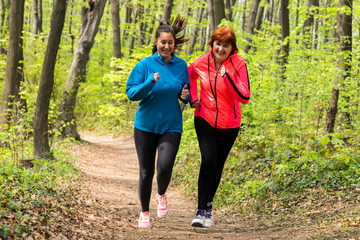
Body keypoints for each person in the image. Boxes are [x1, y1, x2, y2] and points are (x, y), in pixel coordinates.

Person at [126, 15, 190, 228]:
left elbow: (187, 94)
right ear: (156, 42)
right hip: (145, 126)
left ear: (174, 44)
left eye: (170, 43)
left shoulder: (181, 66)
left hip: (171, 125)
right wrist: (149, 82)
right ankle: (144, 212)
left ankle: (161, 194)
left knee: (164, 168)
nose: (166, 46)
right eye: (163, 42)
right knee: (146, 172)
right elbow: (132, 93)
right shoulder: (144, 65)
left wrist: (185, 96)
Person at [188, 25, 251, 228]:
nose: (221, 49)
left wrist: (229, 77)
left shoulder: (239, 64)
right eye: (218, 44)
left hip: (229, 124)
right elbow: (189, 75)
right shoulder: (202, 61)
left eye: (226, 45)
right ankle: (199, 211)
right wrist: (193, 97)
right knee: (208, 160)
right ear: (212, 44)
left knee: (218, 165)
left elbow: (245, 97)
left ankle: (208, 206)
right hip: (205, 118)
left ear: (232, 47)